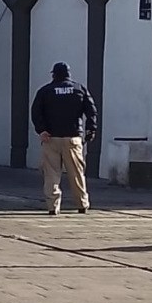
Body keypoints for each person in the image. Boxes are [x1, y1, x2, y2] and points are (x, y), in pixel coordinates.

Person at [31, 62, 98, 215]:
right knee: (76, 173)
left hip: (51, 138)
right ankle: (82, 203)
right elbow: (92, 111)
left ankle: (53, 207)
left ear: (53, 74)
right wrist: (90, 130)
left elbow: (36, 112)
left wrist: (41, 130)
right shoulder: (79, 89)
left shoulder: (45, 91)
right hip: (73, 138)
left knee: (51, 174)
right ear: (69, 74)